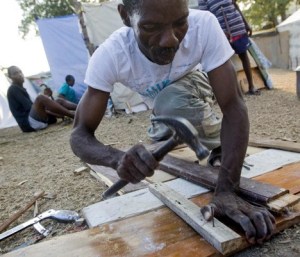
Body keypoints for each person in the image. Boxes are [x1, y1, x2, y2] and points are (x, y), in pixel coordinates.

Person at [70, 0, 275, 244]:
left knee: (172, 101)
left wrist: (227, 189)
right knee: (165, 116)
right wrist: (116, 159)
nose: (171, 40)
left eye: (180, 23)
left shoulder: (204, 25)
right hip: (161, 107)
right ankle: (179, 126)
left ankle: (216, 140)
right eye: (150, 27)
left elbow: (233, 105)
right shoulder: (111, 54)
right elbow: (79, 134)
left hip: (197, 84)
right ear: (125, 16)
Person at [198, 0, 260, 95]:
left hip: (237, 26)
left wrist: (246, 23)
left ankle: (251, 86)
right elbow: (205, 16)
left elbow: (235, 5)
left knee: (244, 56)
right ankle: (236, 92)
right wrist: (217, 32)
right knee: (226, 62)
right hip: (222, 32)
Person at [7, 66, 76, 132]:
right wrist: (53, 111)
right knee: (40, 98)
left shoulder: (20, 88)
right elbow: (30, 108)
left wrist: (47, 97)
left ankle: (81, 108)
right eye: (15, 73)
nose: (20, 74)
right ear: (10, 77)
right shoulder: (14, 89)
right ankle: (74, 116)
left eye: (20, 72)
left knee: (58, 100)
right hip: (29, 123)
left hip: (34, 120)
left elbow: (34, 107)